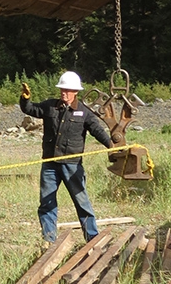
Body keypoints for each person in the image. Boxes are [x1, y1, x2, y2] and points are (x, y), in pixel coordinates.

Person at [19, 71, 113, 244]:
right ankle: (49, 240)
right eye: (62, 89)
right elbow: (30, 109)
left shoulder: (84, 112)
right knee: (47, 203)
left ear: (75, 92)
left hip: (72, 166)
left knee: (81, 202)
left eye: (68, 90)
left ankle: (92, 239)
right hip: (50, 164)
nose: (64, 93)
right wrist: (25, 99)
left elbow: (98, 131)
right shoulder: (50, 107)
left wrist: (112, 147)